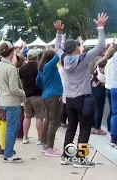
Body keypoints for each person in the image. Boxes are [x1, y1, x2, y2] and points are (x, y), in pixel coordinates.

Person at [54, 13, 107, 167]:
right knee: (84, 130)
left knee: (71, 128)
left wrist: (59, 33)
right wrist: (101, 27)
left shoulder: (64, 58)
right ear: (76, 47)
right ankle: (81, 159)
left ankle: (66, 156)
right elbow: (101, 46)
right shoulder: (83, 59)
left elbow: (58, 47)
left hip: (69, 99)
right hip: (83, 99)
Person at [0, 41, 25, 163]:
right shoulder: (11, 68)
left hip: (5, 99)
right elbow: (14, 89)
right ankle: (8, 154)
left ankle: (8, 151)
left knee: (10, 128)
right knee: (12, 129)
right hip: (13, 101)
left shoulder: (0, 65)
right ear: (11, 52)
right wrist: (23, 93)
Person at [36, 50, 63, 157]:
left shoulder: (41, 69)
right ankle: (50, 147)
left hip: (46, 96)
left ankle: (45, 144)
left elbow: (38, 82)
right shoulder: (50, 66)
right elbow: (58, 55)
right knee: (54, 121)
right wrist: (60, 41)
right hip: (54, 96)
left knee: (47, 120)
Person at [19, 49, 44, 145]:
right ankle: (39, 139)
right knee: (39, 117)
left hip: (26, 95)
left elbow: (21, 81)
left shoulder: (22, 68)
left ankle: (25, 137)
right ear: (36, 57)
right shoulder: (39, 67)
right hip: (38, 94)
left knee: (27, 116)